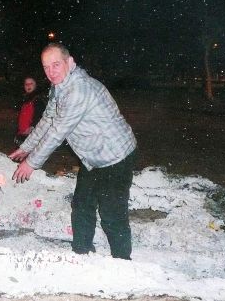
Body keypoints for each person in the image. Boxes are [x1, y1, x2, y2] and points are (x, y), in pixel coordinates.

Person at [9, 43, 137, 260]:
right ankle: (82, 252)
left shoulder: (79, 89)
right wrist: (25, 148)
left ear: (70, 62)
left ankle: (123, 263)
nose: (51, 72)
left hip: (116, 156)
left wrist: (31, 163)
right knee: (81, 204)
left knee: (111, 213)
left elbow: (58, 131)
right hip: (93, 157)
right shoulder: (59, 88)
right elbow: (48, 120)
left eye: (56, 64)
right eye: (46, 67)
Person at [14, 76, 45, 146]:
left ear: (36, 85)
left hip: (32, 135)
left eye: (31, 83)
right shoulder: (24, 99)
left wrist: (32, 127)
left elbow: (40, 116)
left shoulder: (38, 100)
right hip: (22, 133)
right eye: (26, 84)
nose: (28, 85)